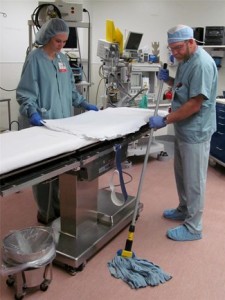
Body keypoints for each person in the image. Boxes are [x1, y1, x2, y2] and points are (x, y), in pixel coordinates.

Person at [16, 18, 99, 224]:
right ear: (47, 38)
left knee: (62, 169)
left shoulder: (63, 61)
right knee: (45, 174)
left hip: (64, 124)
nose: (61, 45)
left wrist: (84, 103)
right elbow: (25, 93)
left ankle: (60, 206)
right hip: (43, 123)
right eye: (57, 41)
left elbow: (71, 91)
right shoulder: (35, 59)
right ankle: (45, 213)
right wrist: (32, 113)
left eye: (64, 41)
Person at [149, 24, 218, 241]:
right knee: (182, 175)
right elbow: (182, 86)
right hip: (184, 128)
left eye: (178, 48)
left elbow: (194, 104)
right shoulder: (186, 60)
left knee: (194, 179)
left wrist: (165, 120)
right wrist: (167, 79)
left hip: (196, 130)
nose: (175, 53)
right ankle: (184, 209)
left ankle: (194, 227)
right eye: (172, 49)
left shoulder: (201, 64)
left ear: (191, 42)